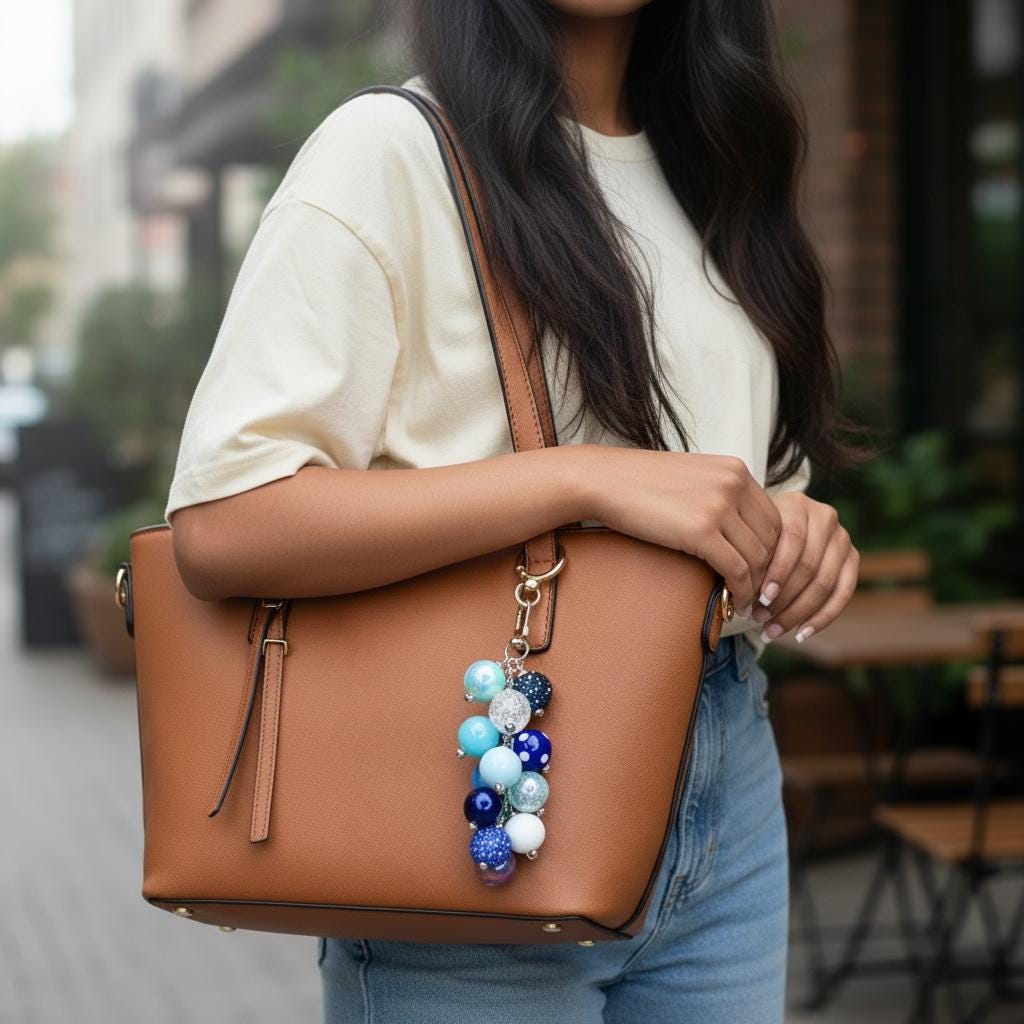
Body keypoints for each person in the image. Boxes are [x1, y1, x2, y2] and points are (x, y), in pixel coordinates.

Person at [165, 2, 866, 1021]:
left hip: (724, 790)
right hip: (472, 810)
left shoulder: (720, 167)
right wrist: (581, 480)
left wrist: (794, 530)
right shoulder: (388, 155)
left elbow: (743, 484)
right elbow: (225, 523)